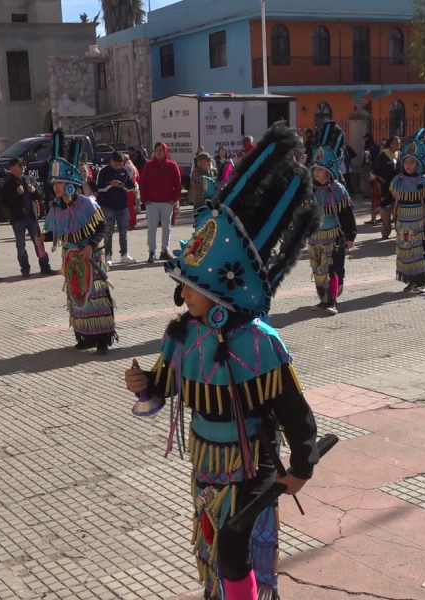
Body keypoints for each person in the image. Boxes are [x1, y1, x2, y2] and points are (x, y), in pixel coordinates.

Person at [124, 123, 320, 600]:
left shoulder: (260, 343)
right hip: (206, 464)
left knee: (241, 546)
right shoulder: (184, 334)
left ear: (223, 296)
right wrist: (144, 383)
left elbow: (293, 409)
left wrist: (303, 460)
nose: (183, 294)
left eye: (193, 287)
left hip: (253, 464)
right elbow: (169, 384)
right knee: (212, 546)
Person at [36, 131, 116, 355]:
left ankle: (102, 338)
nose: (56, 188)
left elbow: (103, 227)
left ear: (70, 183)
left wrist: (90, 246)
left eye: (60, 183)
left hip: (90, 255)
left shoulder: (87, 203)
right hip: (72, 257)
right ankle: (85, 335)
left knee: (96, 296)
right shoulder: (57, 208)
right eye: (54, 184)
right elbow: (60, 231)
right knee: (77, 295)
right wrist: (45, 237)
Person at [307, 122, 356, 315]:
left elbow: (347, 214)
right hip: (315, 236)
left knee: (332, 268)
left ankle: (332, 301)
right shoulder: (309, 191)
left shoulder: (337, 190)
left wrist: (350, 235)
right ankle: (322, 299)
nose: (316, 172)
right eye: (314, 169)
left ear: (329, 171)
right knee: (318, 267)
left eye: (320, 169)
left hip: (334, 234)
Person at [390, 129, 425, 294]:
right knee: (406, 250)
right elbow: (394, 200)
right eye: (406, 162)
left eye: (412, 162)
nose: (408, 165)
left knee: (420, 250)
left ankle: (421, 282)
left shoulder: (424, 181)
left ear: (419, 164)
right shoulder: (398, 180)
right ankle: (411, 281)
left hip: (420, 221)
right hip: (403, 221)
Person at [0, 158, 55, 278]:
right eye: (19, 165)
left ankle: (45, 267)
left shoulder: (30, 179)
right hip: (18, 218)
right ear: (12, 168)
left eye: (23, 165)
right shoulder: (8, 183)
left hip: (31, 217)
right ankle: (25, 268)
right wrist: (16, 194)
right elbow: (5, 203)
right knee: (21, 245)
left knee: (39, 242)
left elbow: (40, 195)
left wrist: (34, 191)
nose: (22, 167)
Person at [140, 142, 181, 263]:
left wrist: (173, 199)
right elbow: (143, 183)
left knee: (166, 227)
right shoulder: (148, 165)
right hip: (151, 203)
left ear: (165, 152)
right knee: (152, 227)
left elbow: (178, 184)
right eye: (157, 150)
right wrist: (145, 199)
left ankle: (164, 251)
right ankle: (151, 252)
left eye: (161, 150)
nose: (159, 153)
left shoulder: (172, 166)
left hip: (167, 202)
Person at [97, 151, 137, 266]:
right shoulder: (103, 172)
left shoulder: (125, 171)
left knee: (123, 232)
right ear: (111, 160)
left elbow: (131, 186)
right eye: (115, 164)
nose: (118, 166)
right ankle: (108, 255)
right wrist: (110, 185)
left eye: (119, 164)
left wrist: (123, 186)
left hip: (122, 206)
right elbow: (99, 189)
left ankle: (124, 254)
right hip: (108, 206)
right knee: (108, 232)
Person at [372, 136, 401, 239]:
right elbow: (376, 170)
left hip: (398, 187)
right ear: (390, 144)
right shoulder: (382, 156)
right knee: (385, 210)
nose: (399, 145)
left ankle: (399, 231)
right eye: (397, 143)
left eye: (399, 143)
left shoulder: (399, 155)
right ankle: (385, 232)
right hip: (386, 187)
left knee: (398, 210)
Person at [363, 133, 382, 224]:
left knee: (376, 198)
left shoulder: (371, 148)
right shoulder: (374, 148)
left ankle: (374, 218)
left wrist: (371, 171)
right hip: (376, 175)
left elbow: (368, 160)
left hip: (377, 176)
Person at [122, 153, 141, 229]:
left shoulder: (124, 167)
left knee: (128, 206)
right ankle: (133, 221)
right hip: (135, 188)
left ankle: (129, 223)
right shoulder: (133, 167)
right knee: (134, 205)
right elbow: (138, 177)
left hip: (127, 189)